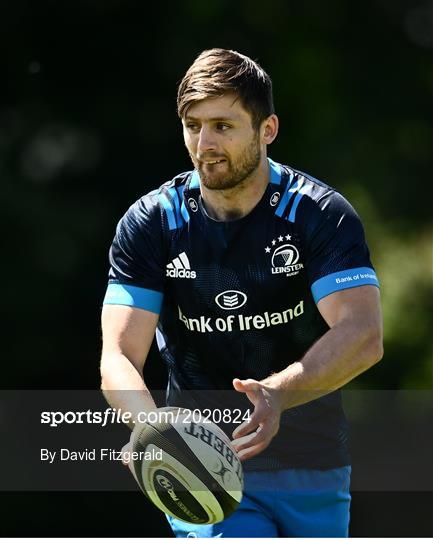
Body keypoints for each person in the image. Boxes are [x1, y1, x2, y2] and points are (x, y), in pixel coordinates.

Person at [100, 48, 383, 538]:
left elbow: (363, 334)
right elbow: (118, 354)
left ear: (267, 129)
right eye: (193, 125)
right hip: (204, 469)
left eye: (223, 126)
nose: (204, 142)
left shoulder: (319, 214)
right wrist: (154, 431)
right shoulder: (153, 223)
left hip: (315, 463)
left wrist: (276, 395)